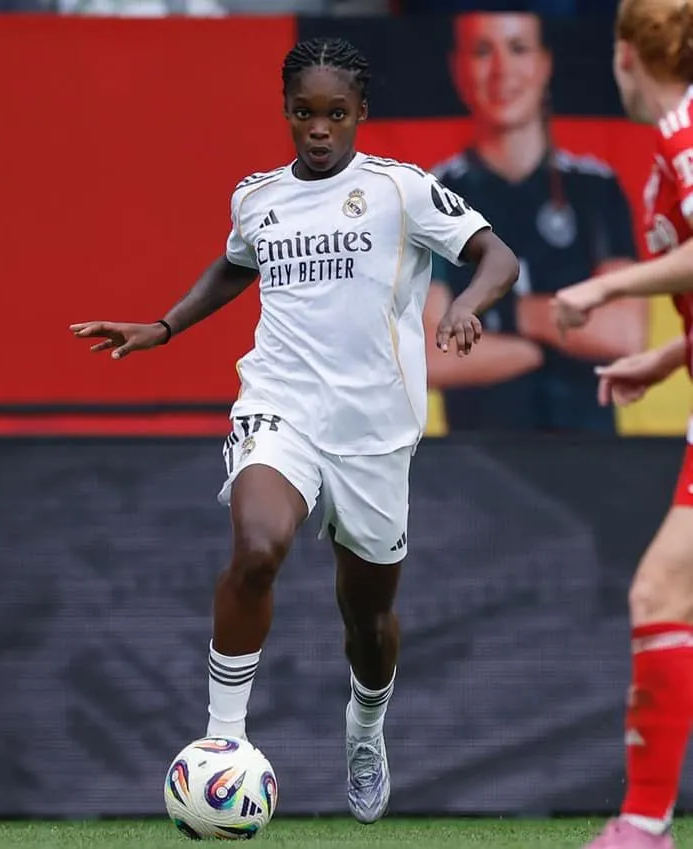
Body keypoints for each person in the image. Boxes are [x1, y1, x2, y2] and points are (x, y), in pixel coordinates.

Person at [70, 36, 519, 823]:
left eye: (335, 114)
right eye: (304, 113)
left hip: (377, 432)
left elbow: (496, 255)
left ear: (361, 115)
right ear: (285, 112)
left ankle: (366, 726)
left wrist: (467, 304)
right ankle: (222, 746)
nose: (318, 129)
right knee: (256, 547)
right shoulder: (257, 196)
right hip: (281, 406)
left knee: (368, 619)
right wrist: (164, 326)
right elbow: (238, 262)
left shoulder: (401, 190)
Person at [553, 0, 693, 845]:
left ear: (627, 55)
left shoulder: (684, 134)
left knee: (658, 589)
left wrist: (608, 287)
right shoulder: (677, 135)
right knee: (665, 591)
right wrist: (668, 358)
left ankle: (642, 823)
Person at [425, 11, 644, 433]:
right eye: (482, 51)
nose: (501, 70)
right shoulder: (432, 200)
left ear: (545, 64)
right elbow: (429, 356)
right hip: (477, 472)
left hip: (594, 465)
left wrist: (502, 317)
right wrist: (556, 341)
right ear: (458, 68)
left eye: (519, 48)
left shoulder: (596, 188)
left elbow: (625, 335)